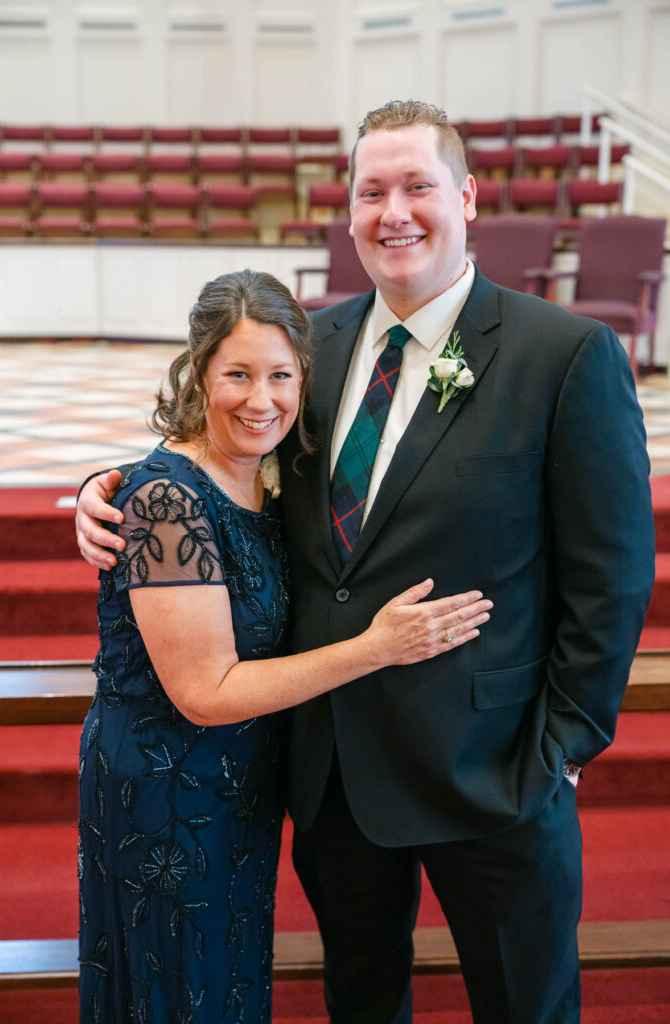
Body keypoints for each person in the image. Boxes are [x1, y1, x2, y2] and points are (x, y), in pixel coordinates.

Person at [76, 102, 655, 1024]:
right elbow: (223, 458)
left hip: (491, 771)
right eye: (371, 191)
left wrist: (561, 751)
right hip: (334, 770)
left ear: (464, 197)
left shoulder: (563, 355)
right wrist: (105, 488)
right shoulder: (318, 344)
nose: (394, 211)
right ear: (347, 210)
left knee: (525, 1006)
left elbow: (614, 574)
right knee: (361, 997)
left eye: (417, 186)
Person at [76, 267, 491, 1023]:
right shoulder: (166, 501)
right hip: (166, 788)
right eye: (236, 374)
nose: (259, 400)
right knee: (177, 986)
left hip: (238, 789)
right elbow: (205, 692)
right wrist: (376, 647)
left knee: (223, 979)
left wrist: (97, 483)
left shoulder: (269, 476)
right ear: (199, 372)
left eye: (280, 376)